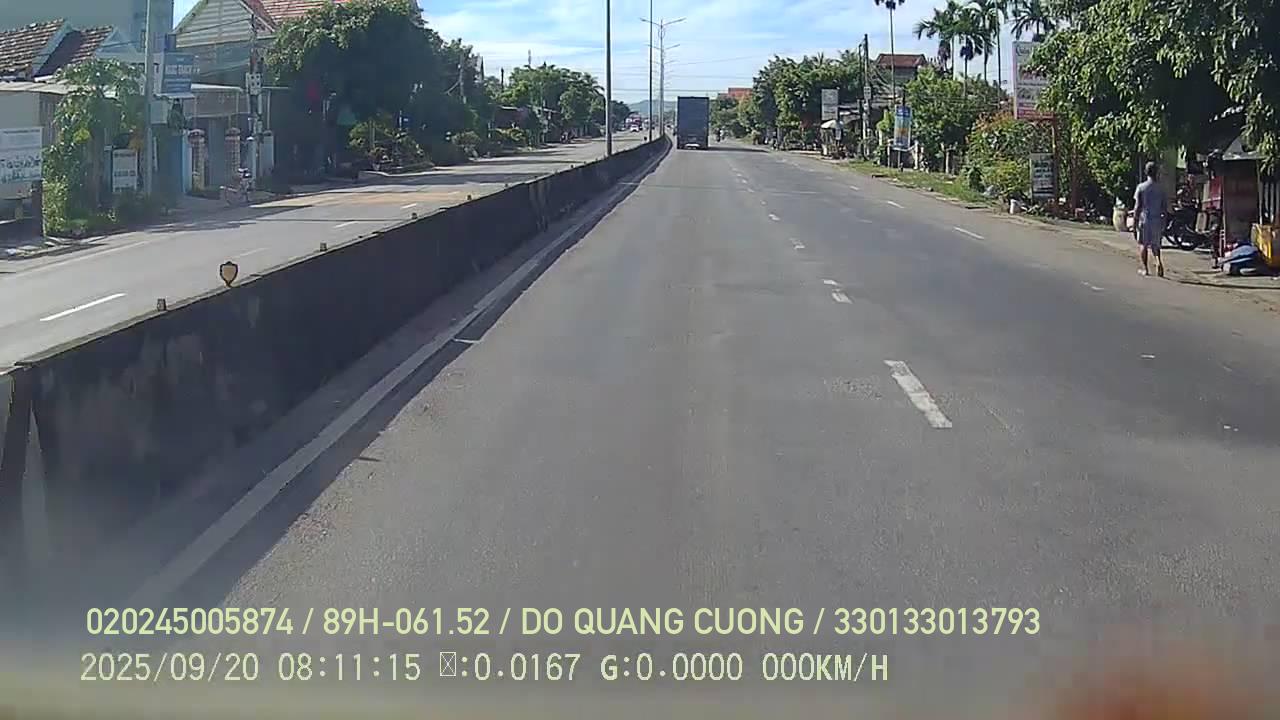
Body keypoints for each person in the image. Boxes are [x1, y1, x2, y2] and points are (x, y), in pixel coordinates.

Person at [1133, 161, 1168, 277]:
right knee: (1155, 245)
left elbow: (1138, 206)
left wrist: (1135, 221)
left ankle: (1145, 269)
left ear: (1146, 172)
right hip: (1157, 220)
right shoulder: (1161, 189)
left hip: (1145, 219)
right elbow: (1164, 208)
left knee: (1143, 244)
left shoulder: (1141, 187)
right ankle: (1158, 261)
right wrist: (1164, 222)